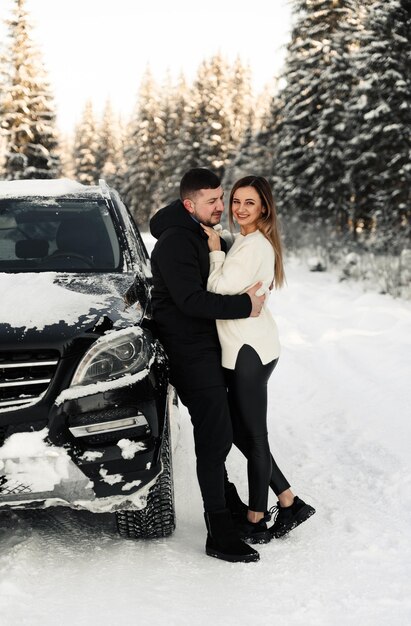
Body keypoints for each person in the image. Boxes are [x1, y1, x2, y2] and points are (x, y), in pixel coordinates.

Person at [149, 168, 266, 563]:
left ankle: (230, 508)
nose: (222, 206)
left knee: (222, 429)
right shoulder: (175, 243)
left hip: (207, 348)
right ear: (189, 204)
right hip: (190, 352)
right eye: (213, 201)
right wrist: (244, 307)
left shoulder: (200, 232)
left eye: (222, 197)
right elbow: (192, 302)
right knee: (214, 439)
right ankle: (219, 533)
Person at [201, 175, 315, 543]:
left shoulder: (253, 246)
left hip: (250, 352)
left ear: (264, 207)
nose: (239, 208)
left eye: (249, 202)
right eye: (236, 201)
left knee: (254, 437)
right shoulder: (247, 241)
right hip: (247, 348)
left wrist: (215, 250)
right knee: (239, 431)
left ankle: (255, 519)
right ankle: (289, 500)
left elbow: (217, 287)